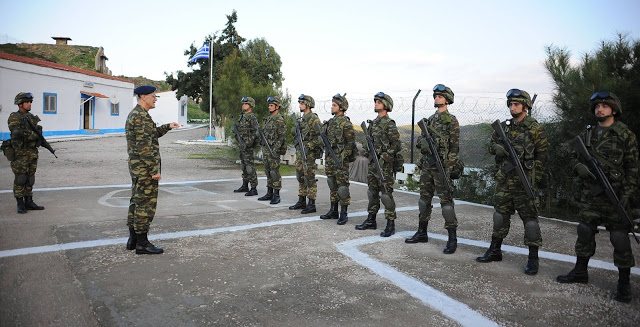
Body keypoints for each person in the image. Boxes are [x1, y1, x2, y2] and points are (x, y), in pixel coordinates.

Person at [557, 91, 638, 303]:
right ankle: (580, 272)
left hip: (616, 196)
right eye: (597, 106)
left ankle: (624, 283)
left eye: (604, 105)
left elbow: (632, 168)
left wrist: (627, 194)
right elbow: (575, 157)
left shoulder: (624, 134)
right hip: (591, 195)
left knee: (619, 238)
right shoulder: (588, 134)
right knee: (584, 231)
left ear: (613, 109)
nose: (599, 109)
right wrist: (579, 167)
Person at [476, 89, 549, 275]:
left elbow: (542, 156)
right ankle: (495, 250)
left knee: (530, 221)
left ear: (525, 106)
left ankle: (533, 259)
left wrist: (534, 178)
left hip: (525, 182)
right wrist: (498, 149)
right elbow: (491, 145)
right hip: (505, 180)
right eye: (510, 104)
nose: (512, 107)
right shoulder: (504, 127)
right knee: (500, 216)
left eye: (516, 104)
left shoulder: (535, 128)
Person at [406, 84, 460, 254]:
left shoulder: (452, 121)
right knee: (424, 200)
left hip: (442, 167)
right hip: (428, 166)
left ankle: (452, 238)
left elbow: (454, 149)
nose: (436, 98)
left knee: (446, 204)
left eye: (440, 96)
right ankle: (422, 232)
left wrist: (448, 170)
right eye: (435, 96)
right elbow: (420, 142)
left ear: (447, 99)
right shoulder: (429, 120)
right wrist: (424, 144)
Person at [125, 85, 179, 255]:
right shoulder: (140, 117)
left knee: (136, 201)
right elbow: (144, 147)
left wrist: (168, 126)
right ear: (143, 97)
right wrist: (153, 169)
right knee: (145, 204)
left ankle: (133, 239)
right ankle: (142, 243)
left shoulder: (140, 115)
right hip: (144, 169)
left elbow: (152, 134)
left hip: (139, 168)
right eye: (153, 96)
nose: (155, 99)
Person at [356, 92, 401, 237]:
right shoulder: (373, 124)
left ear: (386, 105)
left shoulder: (389, 124)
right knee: (372, 193)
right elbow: (369, 143)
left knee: (386, 194)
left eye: (379, 102)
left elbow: (396, 146)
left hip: (385, 166)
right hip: (373, 164)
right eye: (375, 101)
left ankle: (390, 223)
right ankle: (371, 219)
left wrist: (384, 158)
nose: (376, 103)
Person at [319, 94, 356, 225]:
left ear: (341, 108)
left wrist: (343, 157)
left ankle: (343, 212)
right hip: (329, 158)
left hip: (340, 160)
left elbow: (351, 143)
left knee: (342, 187)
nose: (332, 107)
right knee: (332, 184)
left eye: (334, 105)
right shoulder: (330, 122)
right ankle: (333, 210)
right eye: (332, 104)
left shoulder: (346, 123)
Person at [7, 92, 46, 214]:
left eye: (30, 102)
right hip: (20, 154)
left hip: (32, 153)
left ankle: (29, 201)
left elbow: (37, 132)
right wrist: (34, 135)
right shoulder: (14, 117)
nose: (29, 104)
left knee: (30, 178)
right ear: (20, 104)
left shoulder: (31, 117)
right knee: (21, 178)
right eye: (27, 102)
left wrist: (38, 137)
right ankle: (20, 203)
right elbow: (17, 132)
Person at [289, 94, 322, 214]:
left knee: (309, 178)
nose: (300, 105)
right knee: (300, 176)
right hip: (300, 153)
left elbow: (321, 137)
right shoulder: (302, 119)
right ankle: (301, 200)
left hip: (309, 154)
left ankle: (311, 203)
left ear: (308, 104)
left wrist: (309, 146)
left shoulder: (314, 119)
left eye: (302, 103)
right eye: (300, 103)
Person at [257, 96, 287, 205]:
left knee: (275, 173)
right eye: (269, 105)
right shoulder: (268, 119)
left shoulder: (279, 119)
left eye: (271, 105)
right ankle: (269, 192)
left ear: (277, 107)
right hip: (266, 150)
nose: (269, 107)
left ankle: (276, 195)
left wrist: (275, 150)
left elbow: (281, 137)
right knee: (268, 171)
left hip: (274, 150)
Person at [233, 97, 259, 196]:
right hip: (241, 145)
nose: (243, 105)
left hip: (248, 147)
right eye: (243, 103)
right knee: (244, 166)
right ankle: (245, 185)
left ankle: (253, 187)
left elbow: (255, 132)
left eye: (246, 104)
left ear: (250, 105)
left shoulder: (252, 117)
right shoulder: (242, 117)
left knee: (249, 167)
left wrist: (248, 143)